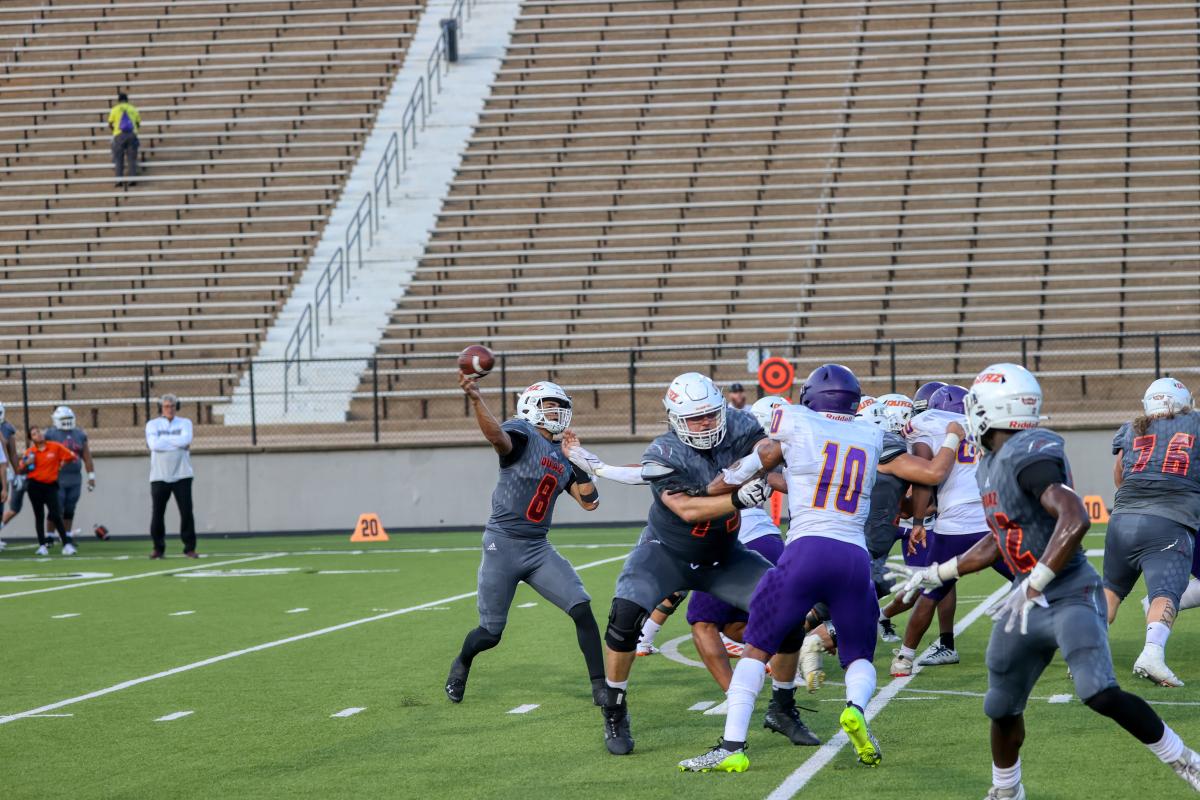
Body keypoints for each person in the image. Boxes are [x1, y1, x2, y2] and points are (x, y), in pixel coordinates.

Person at [889, 363, 1200, 798]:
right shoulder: (988, 464)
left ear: (993, 409)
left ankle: (1185, 759)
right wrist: (939, 571)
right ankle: (1007, 790)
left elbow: (1073, 515)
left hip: (1069, 592)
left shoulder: (1031, 451)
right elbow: (999, 538)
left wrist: (1037, 580)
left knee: (1098, 692)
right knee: (1000, 705)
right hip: (1027, 599)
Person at [679, 364, 888, 773]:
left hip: (806, 550)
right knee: (859, 654)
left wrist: (717, 485)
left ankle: (732, 746)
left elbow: (759, 458)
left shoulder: (795, 420)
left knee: (757, 648)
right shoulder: (871, 433)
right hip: (853, 556)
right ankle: (856, 709)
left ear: (811, 398)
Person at [576, 372, 792, 756]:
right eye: (695, 418)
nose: (706, 423)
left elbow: (769, 451)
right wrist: (737, 497)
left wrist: (761, 464)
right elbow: (688, 510)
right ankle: (615, 707)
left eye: (710, 414)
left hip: (724, 555)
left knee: (787, 610)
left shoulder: (738, 424)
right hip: (666, 553)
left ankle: (784, 707)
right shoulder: (664, 452)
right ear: (676, 419)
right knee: (624, 616)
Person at [444, 377, 605, 707]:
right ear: (531, 407)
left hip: (537, 548)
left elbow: (590, 503)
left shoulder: (561, 454)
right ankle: (462, 662)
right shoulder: (522, 433)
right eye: (550, 405)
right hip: (502, 545)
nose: (557, 412)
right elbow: (497, 438)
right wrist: (476, 399)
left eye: (560, 407)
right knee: (490, 634)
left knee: (581, 608)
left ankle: (601, 686)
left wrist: (577, 459)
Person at [891, 385, 1014, 676]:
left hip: (954, 525)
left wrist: (918, 522)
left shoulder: (928, 423)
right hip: (992, 520)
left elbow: (924, 477)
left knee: (931, 590)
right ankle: (1075, 649)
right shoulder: (985, 426)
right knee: (1034, 581)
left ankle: (904, 658)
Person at [1106, 377, 1200, 687]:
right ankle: (1152, 654)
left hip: (1122, 518)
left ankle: (1085, 651)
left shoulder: (1132, 427)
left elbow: (1119, 475)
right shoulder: (1195, 423)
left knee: (1111, 590)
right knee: (1165, 593)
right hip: (1170, 520)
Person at [145, 393, 196, 559]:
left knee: (186, 512)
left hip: (182, 474)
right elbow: (154, 445)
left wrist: (166, 441)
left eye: (173, 406)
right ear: (161, 407)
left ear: (177, 407)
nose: (170, 409)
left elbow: (186, 440)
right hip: (159, 476)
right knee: (157, 513)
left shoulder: (185, 422)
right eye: (167, 406)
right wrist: (177, 443)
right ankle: (158, 548)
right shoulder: (152, 424)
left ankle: (189, 547)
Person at [16, 426, 78, 556]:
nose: (38, 434)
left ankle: (66, 545)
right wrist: (27, 463)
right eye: (34, 434)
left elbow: (71, 456)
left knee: (55, 514)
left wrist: (62, 463)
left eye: (38, 432)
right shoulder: (30, 452)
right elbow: (20, 469)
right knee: (39, 515)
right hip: (34, 486)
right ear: (31, 439)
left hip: (50, 486)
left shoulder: (55, 446)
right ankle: (42, 546)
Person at [44, 406, 95, 537]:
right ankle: (49, 535)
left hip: (74, 478)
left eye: (69, 418)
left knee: (70, 507)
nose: (67, 421)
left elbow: (87, 456)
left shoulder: (79, 434)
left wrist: (91, 476)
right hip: (57, 477)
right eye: (64, 418)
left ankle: (66, 536)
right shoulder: (50, 434)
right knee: (56, 507)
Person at [107, 92, 141, 186]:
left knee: (118, 158)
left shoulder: (115, 109)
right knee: (132, 158)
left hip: (119, 135)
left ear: (118, 100)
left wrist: (115, 131)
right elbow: (138, 123)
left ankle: (119, 180)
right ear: (127, 100)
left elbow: (110, 123)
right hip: (131, 134)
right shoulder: (133, 109)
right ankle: (133, 179)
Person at [0, 402, 17, 551]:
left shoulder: (6, 429)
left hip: (1, 473)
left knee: (0, 507)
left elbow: (9, 454)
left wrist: (16, 473)